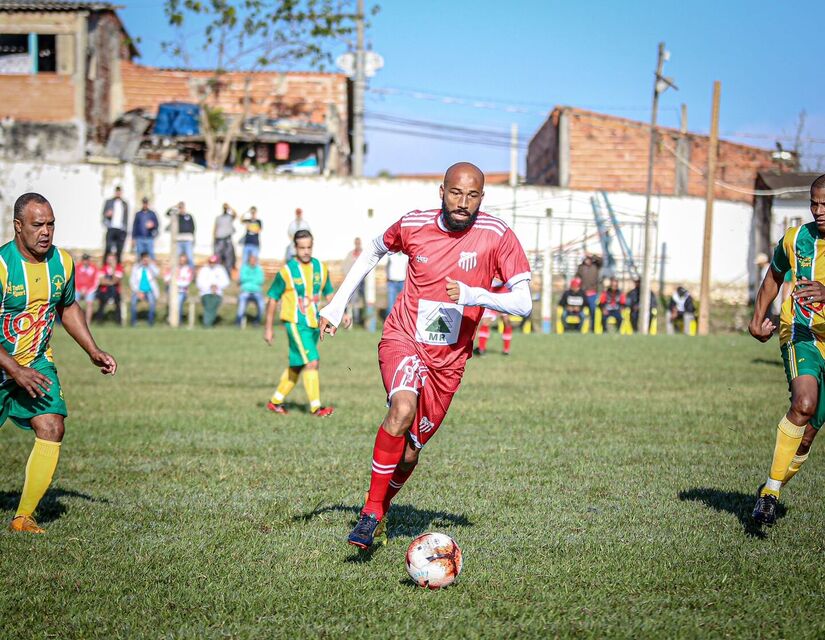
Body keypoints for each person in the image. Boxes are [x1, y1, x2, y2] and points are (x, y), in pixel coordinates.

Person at [319, 162, 532, 548]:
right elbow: (373, 250)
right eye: (456, 192)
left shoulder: (497, 234)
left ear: (482, 198)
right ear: (441, 191)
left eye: (472, 195)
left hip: (449, 360)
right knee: (401, 408)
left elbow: (524, 302)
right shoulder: (414, 224)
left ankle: (380, 510)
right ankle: (369, 513)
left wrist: (473, 295)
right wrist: (337, 304)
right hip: (404, 338)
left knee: (410, 455)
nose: (463, 202)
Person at [3, 192, 117, 534]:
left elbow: (67, 308)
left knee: (52, 426)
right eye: (38, 224)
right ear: (18, 226)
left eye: (51, 224)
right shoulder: (3, 266)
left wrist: (92, 350)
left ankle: (23, 518)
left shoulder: (62, 263)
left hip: (36, 361)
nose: (46, 231)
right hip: (6, 363)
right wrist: (14, 370)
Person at [749, 174, 825, 526]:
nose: (818, 210)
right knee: (804, 404)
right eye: (814, 203)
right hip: (801, 332)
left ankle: (771, 483)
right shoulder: (796, 239)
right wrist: (757, 318)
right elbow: (773, 276)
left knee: (807, 436)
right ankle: (770, 496)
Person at [264, 229, 344, 416]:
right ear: (295, 248)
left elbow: (329, 293)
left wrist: (341, 313)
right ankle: (316, 408)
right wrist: (268, 328)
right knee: (312, 362)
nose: (306, 251)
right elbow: (273, 298)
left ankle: (275, 402)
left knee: (299, 364)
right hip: (295, 323)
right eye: (302, 248)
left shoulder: (320, 268)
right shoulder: (286, 272)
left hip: (314, 324)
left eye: (309, 247)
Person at [474, 279, 515, 355]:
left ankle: (506, 350)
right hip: (492, 296)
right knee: (485, 321)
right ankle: (481, 349)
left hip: (505, 296)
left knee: (507, 321)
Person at [196, 255, 230, 327]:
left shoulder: (221, 269)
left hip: (217, 293)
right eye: (211, 262)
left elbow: (226, 282)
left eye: (214, 262)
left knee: (213, 304)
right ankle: (207, 323)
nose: (212, 264)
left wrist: (217, 286)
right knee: (209, 303)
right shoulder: (204, 270)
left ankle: (207, 323)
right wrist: (210, 287)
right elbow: (199, 283)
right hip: (206, 293)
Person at [129, 252, 159, 326]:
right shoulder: (136, 268)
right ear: (141, 259)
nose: (146, 261)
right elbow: (132, 281)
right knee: (133, 303)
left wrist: (150, 265)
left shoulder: (151, 267)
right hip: (138, 290)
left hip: (150, 290)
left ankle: (150, 322)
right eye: (144, 259)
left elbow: (157, 273)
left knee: (152, 303)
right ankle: (133, 322)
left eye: (147, 259)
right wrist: (138, 291)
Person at [575, 253, 602, 331]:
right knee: (579, 311)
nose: (587, 261)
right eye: (586, 259)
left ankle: (592, 328)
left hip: (593, 293)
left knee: (593, 310)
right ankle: (579, 327)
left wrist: (593, 255)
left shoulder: (596, 266)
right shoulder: (581, 267)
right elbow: (577, 277)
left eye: (589, 259)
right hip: (583, 294)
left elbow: (601, 261)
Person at [101, 186, 129, 263]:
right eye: (117, 191)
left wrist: (126, 229)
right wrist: (107, 215)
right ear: (115, 192)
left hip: (120, 229)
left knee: (119, 249)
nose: (118, 193)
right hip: (111, 227)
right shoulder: (109, 201)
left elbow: (126, 217)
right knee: (108, 247)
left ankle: (118, 268)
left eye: (119, 192)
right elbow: (103, 213)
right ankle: (105, 266)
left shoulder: (124, 204)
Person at [237, 253, 266, 325]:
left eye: (254, 260)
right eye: (251, 260)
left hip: (257, 291)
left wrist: (249, 279)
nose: (253, 262)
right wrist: (253, 279)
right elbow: (242, 278)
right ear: (248, 261)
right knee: (241, 305)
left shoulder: (259, 269)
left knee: (262, 305)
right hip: (245, 291)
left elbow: (261, 280)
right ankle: (238, 321)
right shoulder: (244, 268)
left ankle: (257, 321)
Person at [95, 252, 124, 324]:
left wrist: (113, 270)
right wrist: (111, 282)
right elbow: (101, 281)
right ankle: (99, 321)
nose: (110, 260)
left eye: (112, 259)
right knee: (101, 303)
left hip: (115, 290)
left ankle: (118, 322)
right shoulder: (103, 268)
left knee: (118, 303)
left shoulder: (119, 268)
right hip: (104, 290)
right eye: (109, 259)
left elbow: (116, 280)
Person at [343, 237, 366, 327]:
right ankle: (355, 319)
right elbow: (345, 266)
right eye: (356, 243)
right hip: (354, 281)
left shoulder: (365, 253)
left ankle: (363, 318)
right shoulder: (351, 254)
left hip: (363, 281)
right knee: (354, 300)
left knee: (365, 300)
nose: (357, 245)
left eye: (359, 243)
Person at [165, 253, 194, 322]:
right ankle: (171, 319)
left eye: (183, 261)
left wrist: (175, 282)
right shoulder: (173, 268)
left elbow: (186, 283)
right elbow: (166, 279)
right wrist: (174, 276)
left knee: (179, 302)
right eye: (180, 260)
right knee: (172, 302)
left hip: (182, 291)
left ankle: (178, 321)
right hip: (172, 291)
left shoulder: (188, 270)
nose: (182, 262)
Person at [167, 202, 196, 266]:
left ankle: (191, 273)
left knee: (190, 258)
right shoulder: (176, 216)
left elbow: (193, 228)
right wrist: (175, 206)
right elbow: (167, 213)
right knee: (176, 258)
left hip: (188, 240)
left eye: (182, 207)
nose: (181, 209)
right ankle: (177, 273)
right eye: (180, 208)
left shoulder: (189, 216)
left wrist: (193, 239)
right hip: (179, 241)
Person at [75, 252, 100, 325]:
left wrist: (88, 290)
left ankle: (87, 322)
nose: (85, 261)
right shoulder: (77, 267)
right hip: (78, 289)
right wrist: (80, 289)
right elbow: (74, 280)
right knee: (75, 304)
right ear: (82, 260)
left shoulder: (94, 268)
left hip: (90, 290)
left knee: (90, 303)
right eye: (84, 260)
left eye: (87, 260)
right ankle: (77, 321)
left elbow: (96, 281)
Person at [214, 203, 237, 272]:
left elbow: (235, 214)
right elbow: (215, 228)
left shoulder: (229, 217)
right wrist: (214, 240)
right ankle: (217, 273)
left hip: (227, 240)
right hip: (219, 240)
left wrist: (229, 207)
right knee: (218, 258)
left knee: (228, 259)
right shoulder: (218, 218)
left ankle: (228, 275)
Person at [386, 251, 408, 315]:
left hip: (402, 282)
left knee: (403, 303)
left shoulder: (406, 256)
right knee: (390, 304)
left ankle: (401, 322)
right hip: (391, 282)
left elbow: (407, 268)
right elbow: (387, 266)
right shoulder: (391, 255)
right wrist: (387, 277)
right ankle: (390, 322)